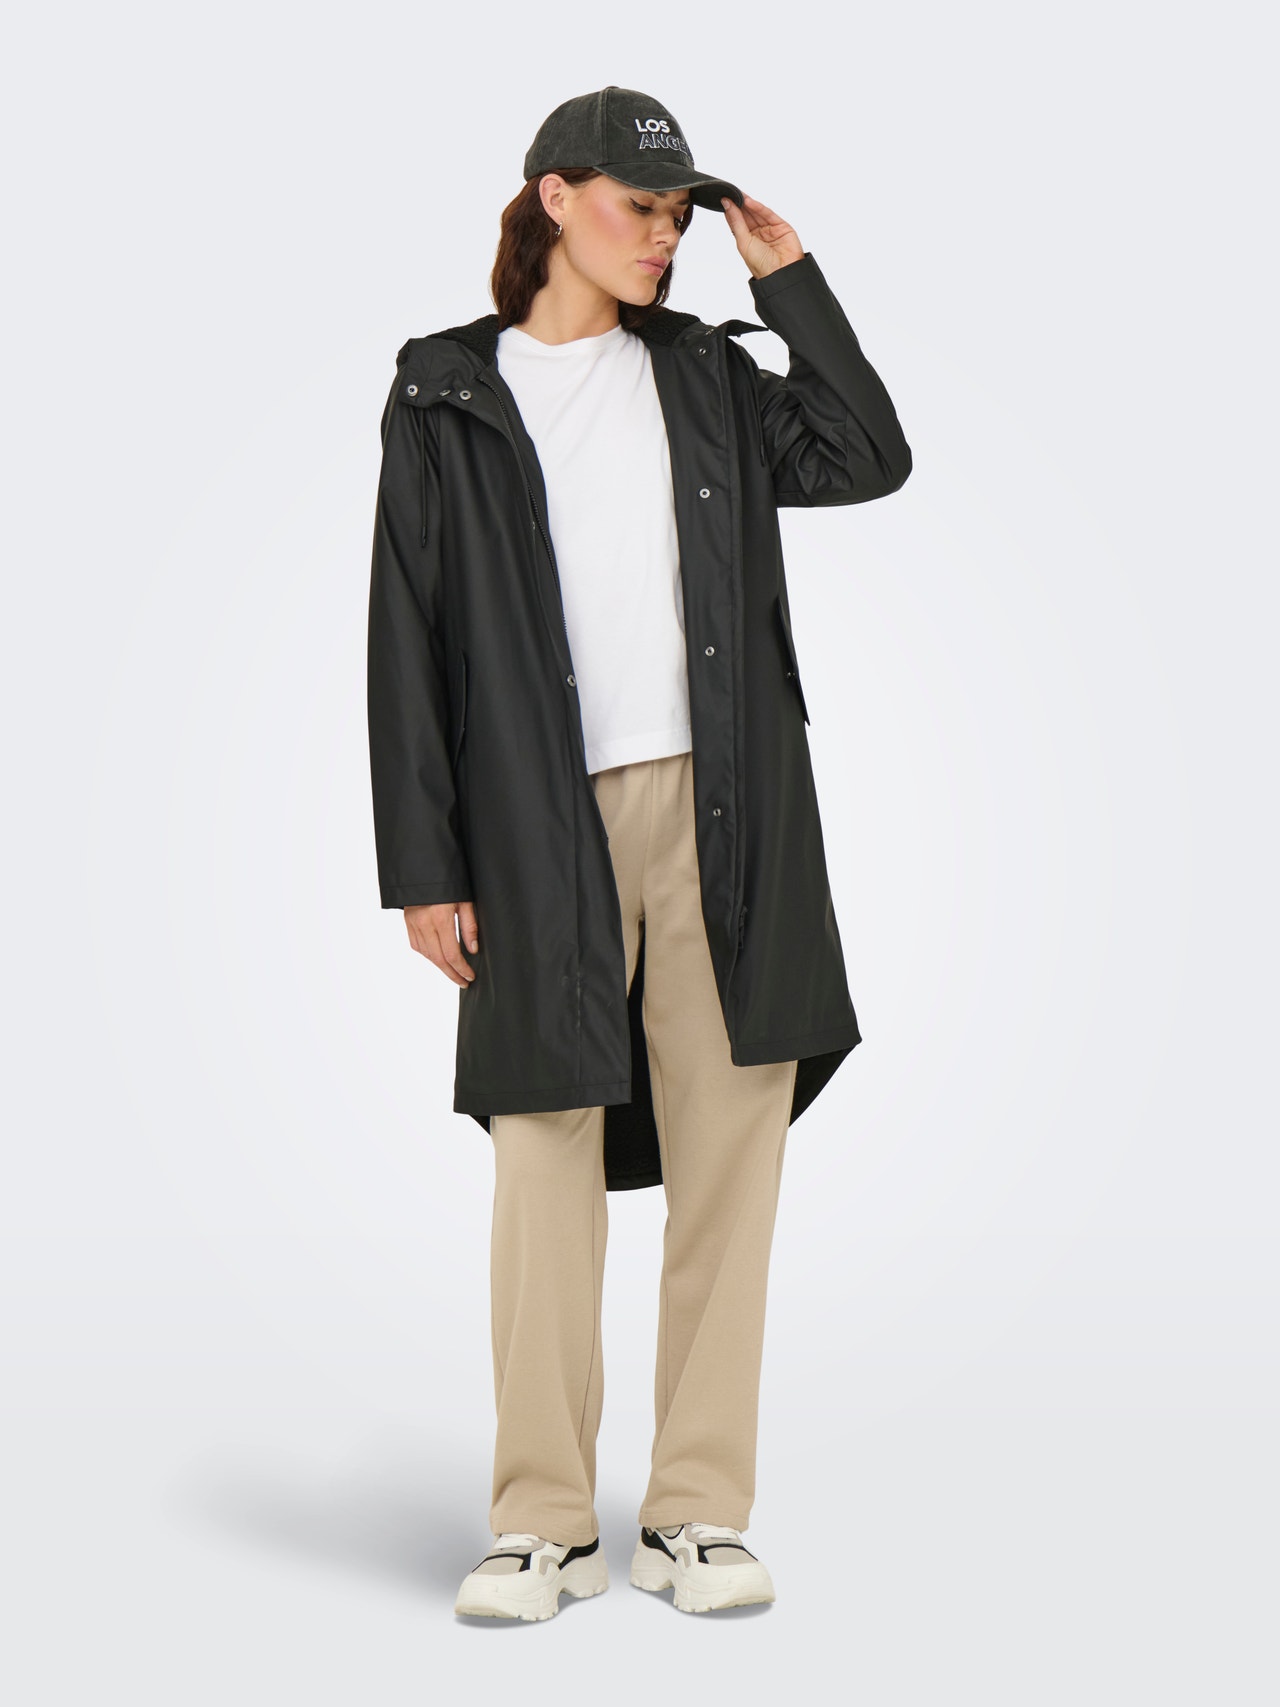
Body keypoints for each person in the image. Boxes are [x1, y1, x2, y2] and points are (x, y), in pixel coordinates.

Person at [366, 86, 912, 1621]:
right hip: (533, 824)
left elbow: (868, 454)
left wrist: (790, 284)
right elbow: (405, 633)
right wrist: (425, 863)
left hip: (726, 812)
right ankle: (542, 1521)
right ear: (554, 197)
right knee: (542, 1156)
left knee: (731, 1155)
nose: (665, 235)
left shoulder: (710, 376)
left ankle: (697, 1515)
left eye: (679, 213)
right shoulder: (445, 392)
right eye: (637, 206)